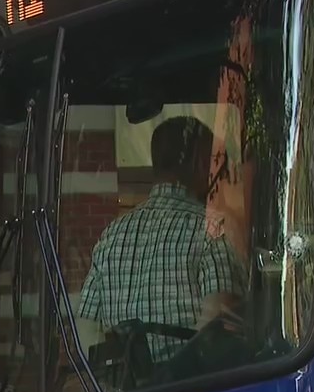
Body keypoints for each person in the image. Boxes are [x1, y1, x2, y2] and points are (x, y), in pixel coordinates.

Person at [76, 116, 248, 377]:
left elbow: (87, 331)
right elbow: (218, 327)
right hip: (190, 391)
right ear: (199, 163)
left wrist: (117, 384)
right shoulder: (212, 230)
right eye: (214, 162)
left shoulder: (111, 236)